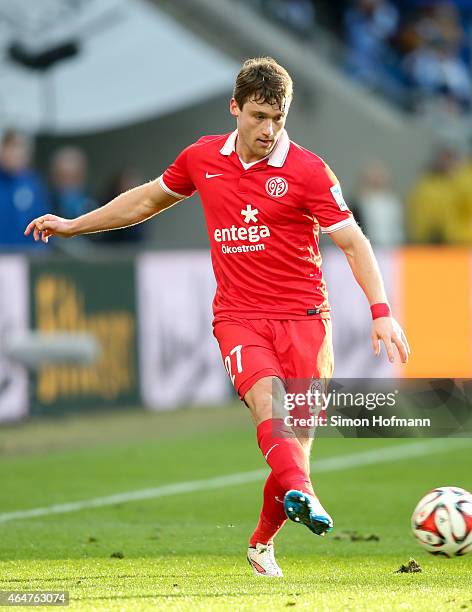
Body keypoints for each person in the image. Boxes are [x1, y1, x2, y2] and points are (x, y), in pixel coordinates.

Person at [24, 57, 410, 577]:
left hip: (306, 321)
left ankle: (261, 543)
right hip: (239, 317)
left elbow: (353, 242)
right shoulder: (202, 158)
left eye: (278, 117)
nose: (269, 130)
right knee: (269, 411)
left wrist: (381, 311)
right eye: (257, 116)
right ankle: (307, 494)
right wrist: (74, 226)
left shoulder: (310, 171)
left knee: (292, 451)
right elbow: (143, 202)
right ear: (235, 108)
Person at [0, 130, 49, 249]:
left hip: (28, 257)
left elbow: (43, 222)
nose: (14, 154)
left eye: (19, 148)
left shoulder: (34, 184)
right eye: (10, 148)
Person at [408, 144, 459, 243]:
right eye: (443, 159)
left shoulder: (459, 186)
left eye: (449, 159)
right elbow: (418, 214)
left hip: (456, 242)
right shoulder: (425, 185)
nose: (446, 163)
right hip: (428, 242)